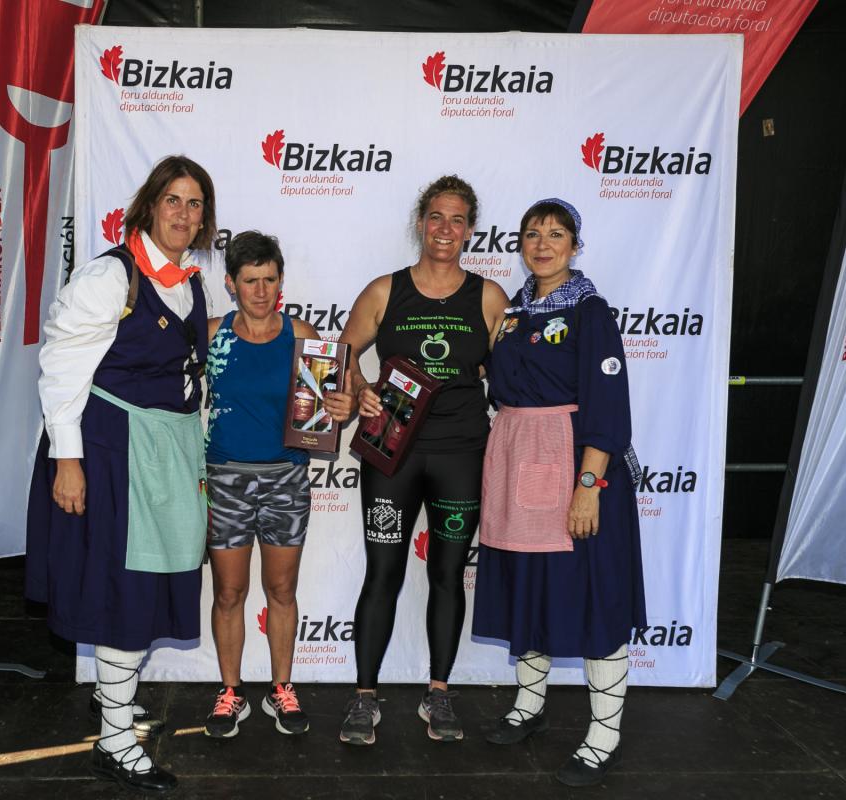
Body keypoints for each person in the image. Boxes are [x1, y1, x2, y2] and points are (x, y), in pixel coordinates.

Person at [25, 155, 216, 794]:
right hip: (111, 451)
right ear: (149, 206)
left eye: (194, 204)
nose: (183, 214)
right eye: (173, 200)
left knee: (148, 581)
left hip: (163, 451)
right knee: (124, 588)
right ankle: (112, 741)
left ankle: (115, 700)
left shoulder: (189, 284)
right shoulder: (113, 275)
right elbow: (61, 367)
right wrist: (68, 461)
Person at [474, 198, 646, 787]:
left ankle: (605, 735)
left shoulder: (590, 312)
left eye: (555, 234)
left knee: (594, 597)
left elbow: (608, 404)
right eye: (532, 234)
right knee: (530, 585)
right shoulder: (512, 313)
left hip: (575, 467)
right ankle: (530, 705)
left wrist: (589, 486)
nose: (542, 244)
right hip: (518, 461)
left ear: (575, 244)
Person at [336, 175, 508, 745]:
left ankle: (439, 692)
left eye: (457, 220)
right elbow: (342, 353)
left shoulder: (489, 297)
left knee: (448, 574)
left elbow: (512, 373)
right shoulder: (385, 290)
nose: (445, 229)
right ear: (420, 222)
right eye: (436, 216)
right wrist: (361, 390)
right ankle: (365, 697)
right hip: (392, 455)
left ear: (470, 230)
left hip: (462, 454)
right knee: (382, 572)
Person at [201, 231, 355, 738]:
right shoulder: (212, 334)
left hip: (286, 479)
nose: (261, 291)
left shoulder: (302, 333)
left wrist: (344, 405)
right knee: (229, 591)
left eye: (269, 279)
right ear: (231, 283)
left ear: (280, 279)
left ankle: (282, 688)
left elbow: (335, 401)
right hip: (225, 478)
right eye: (250, 281)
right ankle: (230, 692)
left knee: (282, 589)